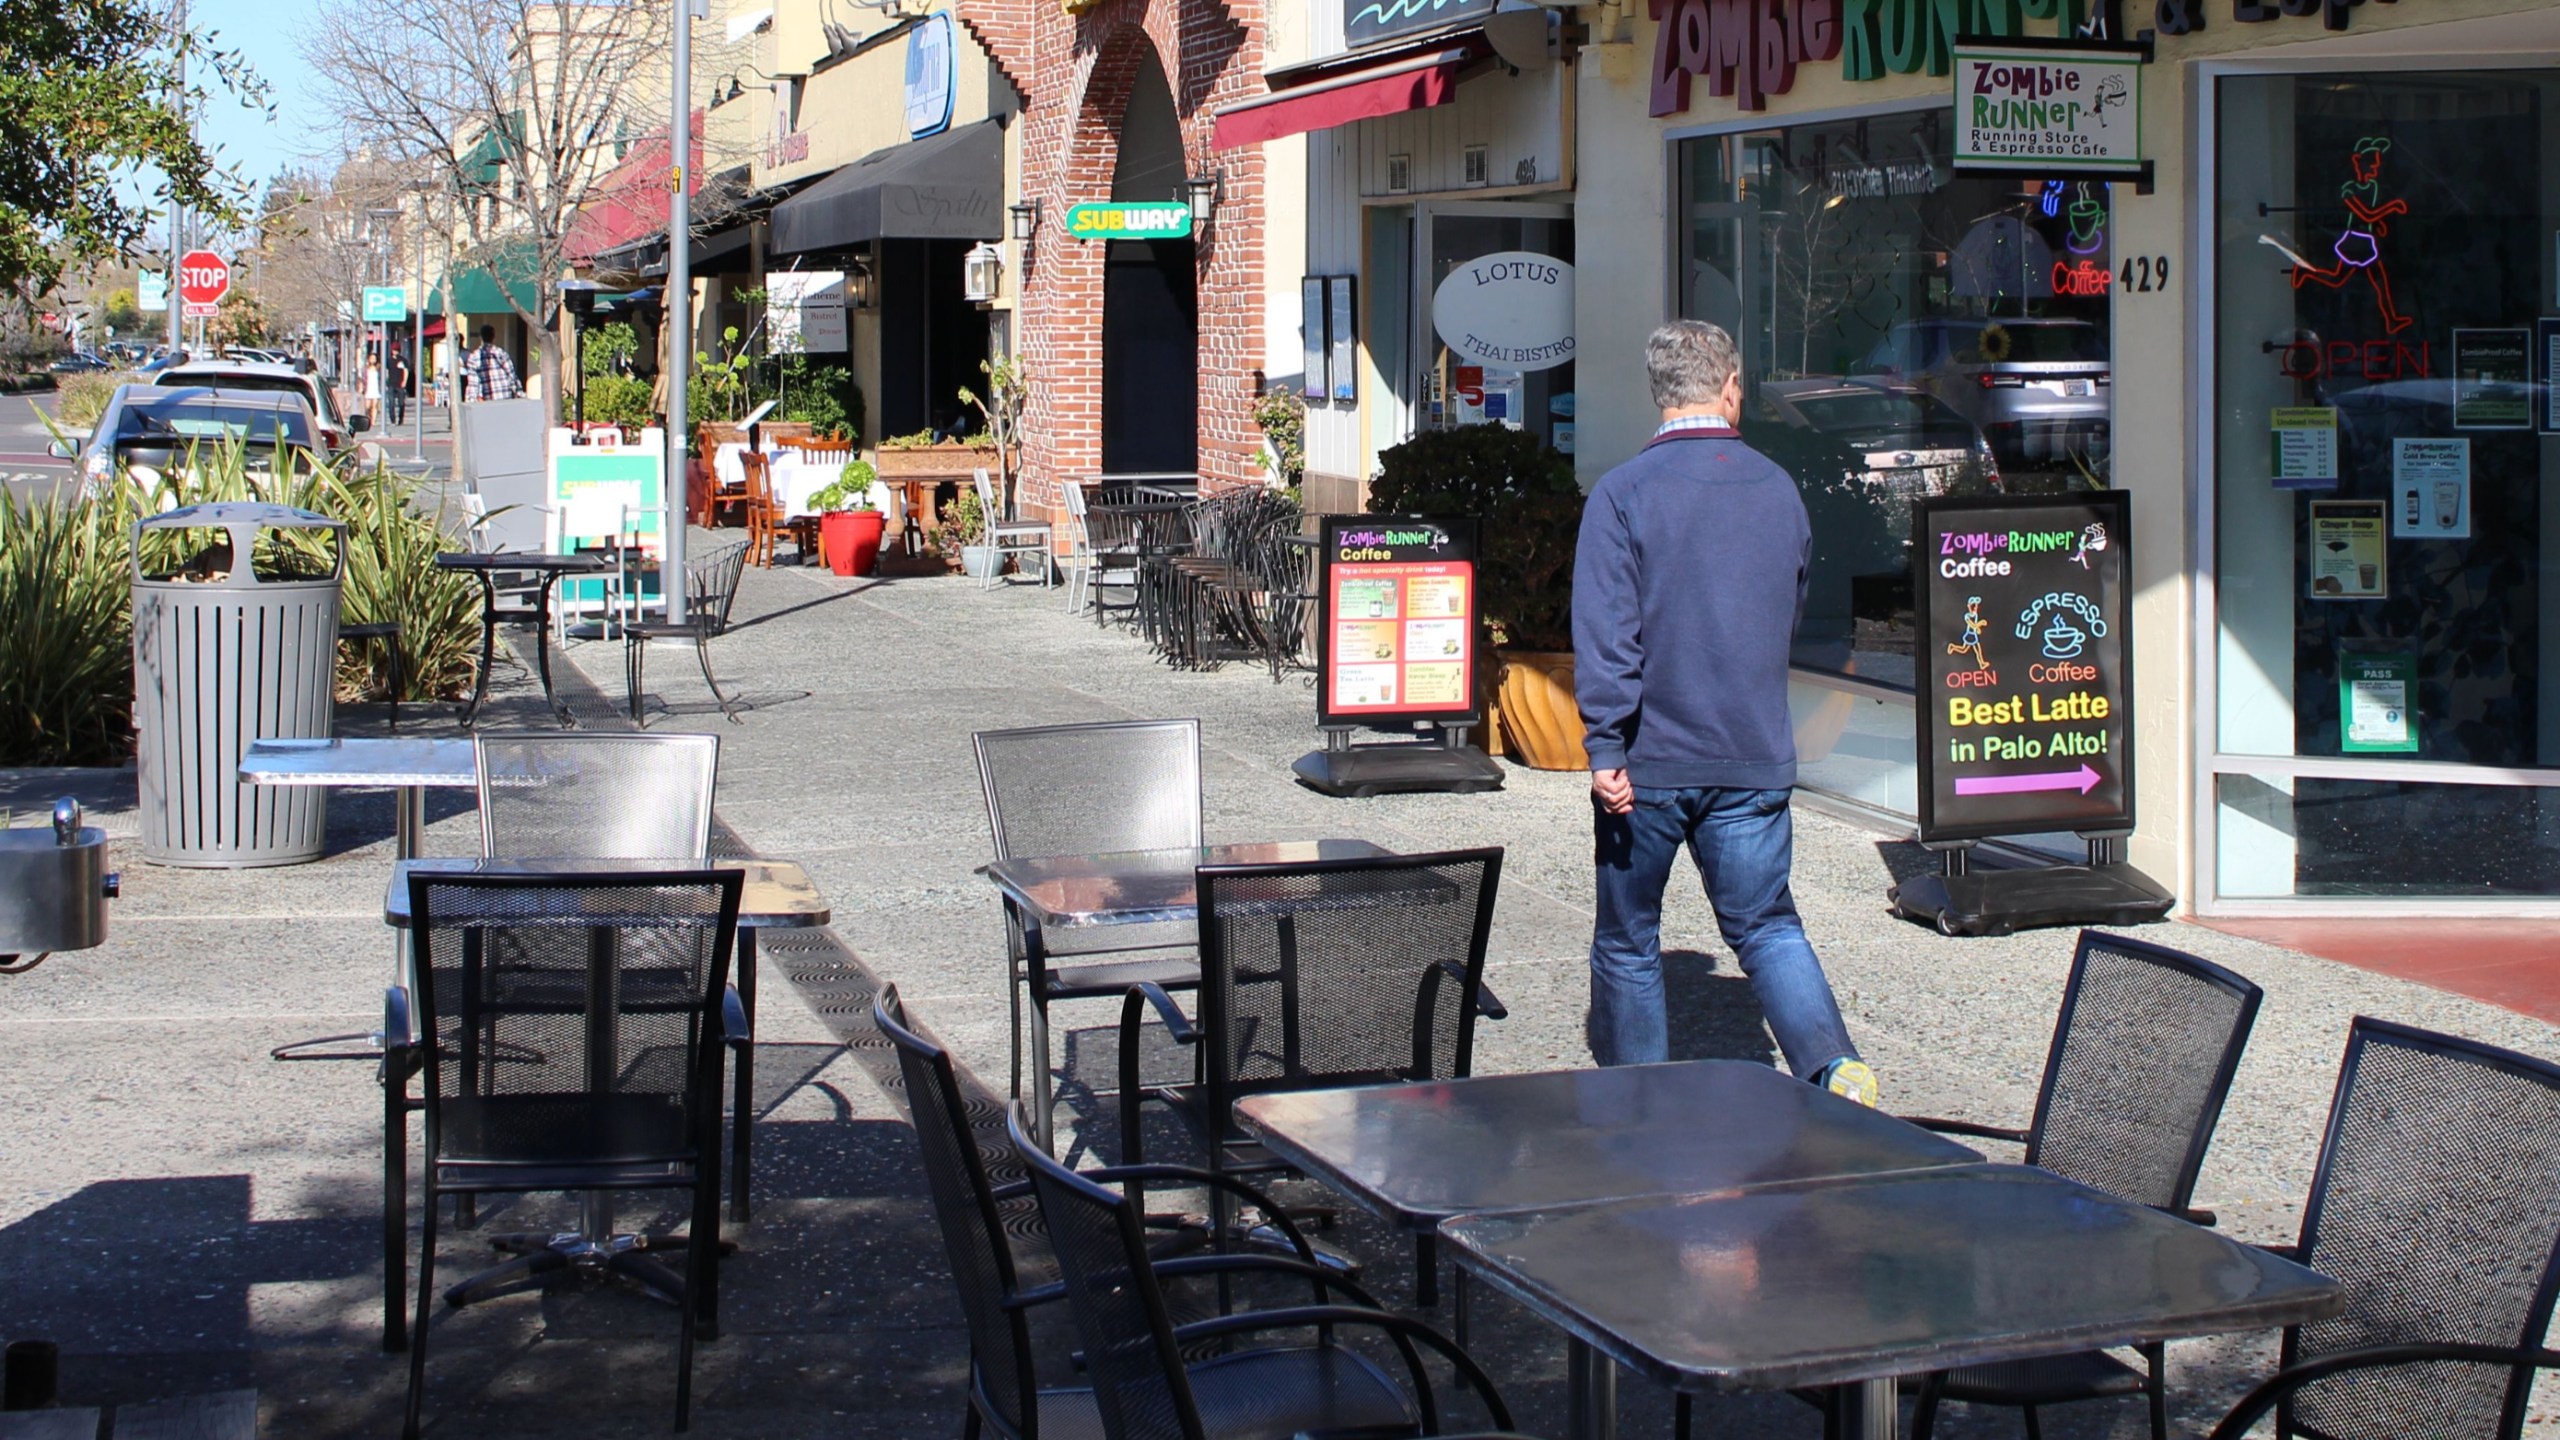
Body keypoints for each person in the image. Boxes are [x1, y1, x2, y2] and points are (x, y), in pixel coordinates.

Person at [1572, 319, 1877, 1106]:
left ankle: (1642, 1104)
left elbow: (1607, 636)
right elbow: (1792, 606)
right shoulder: (1777, 488)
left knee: (1630, 938)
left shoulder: (1623, 494)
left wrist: (1605, 746)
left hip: (1648, 763)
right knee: (1768, 925)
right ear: (1731, 387)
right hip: (1751, 751)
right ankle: (1831, 1065)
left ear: (1659, 394)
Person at [461, 325, 522, 402]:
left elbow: (473, 383)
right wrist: (518, 392)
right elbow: (511, 375)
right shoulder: (501, 353)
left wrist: (471, 400)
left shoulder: (474, 357)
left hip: (486, 400)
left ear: (481, 337)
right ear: (493, 336)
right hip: (504, 396)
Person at [387, 351, 411, 427]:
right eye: (393, 350)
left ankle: (401, 419)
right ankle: (392, 420)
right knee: (391, 403)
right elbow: (386, 371)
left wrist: (404, 382)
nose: (395, 352)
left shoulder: (403, 360)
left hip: (400, 384)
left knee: (401, 403)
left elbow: (406, 371)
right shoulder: (389, 360)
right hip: (391, 384)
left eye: (396, 350)